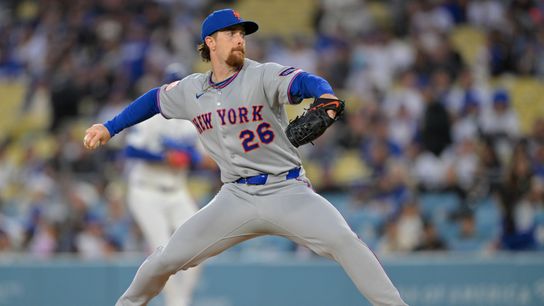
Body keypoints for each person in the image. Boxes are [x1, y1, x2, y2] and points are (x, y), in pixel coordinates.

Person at [83, 9, 407, 306]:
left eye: (242, 34)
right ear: (210, 42)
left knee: (345, 241)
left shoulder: (262, 75)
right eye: (231, 33)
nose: (240, 39)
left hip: (287, 190)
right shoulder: (192, 90)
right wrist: (110, 128)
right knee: (165, 259)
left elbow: (307, 82)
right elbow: (153, 100)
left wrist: (325, 94)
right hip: (234, 197)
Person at [123, 63, 203, 306]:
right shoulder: (149, 117)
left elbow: (200, 159)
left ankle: (180, 301)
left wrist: (180, 152)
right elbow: (130, 149)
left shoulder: (191, 120)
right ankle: (175, 303)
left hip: (176, 192)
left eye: (179, 85)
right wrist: (163, 156)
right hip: (146, 191)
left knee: (199, 245)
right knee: (163, 252)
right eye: (171, 84)